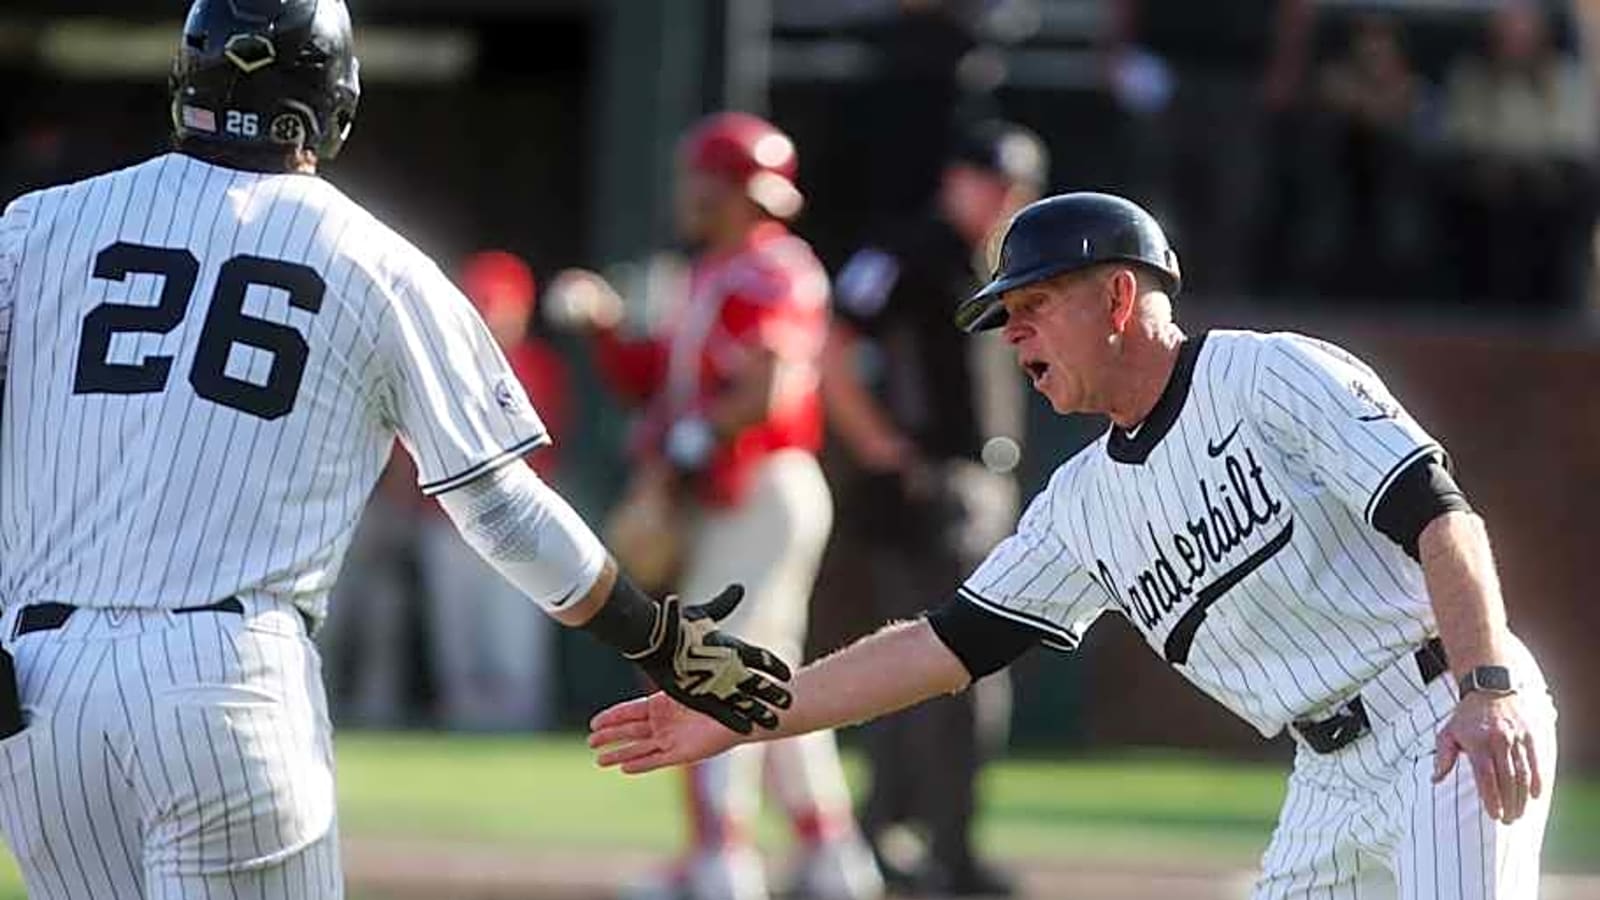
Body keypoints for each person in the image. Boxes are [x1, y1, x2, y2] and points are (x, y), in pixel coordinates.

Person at [0, 3, 791, 897]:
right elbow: (500, 508)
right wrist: (650, 635)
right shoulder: (376, 260)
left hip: (39, 685)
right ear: (332, 98)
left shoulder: (37, 228)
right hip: (227, 677)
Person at [591, 192, 1560, 900]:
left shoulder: (1270, 376)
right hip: (1326, 769)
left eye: (1033, 306)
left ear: (1118, 298)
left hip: (1443, 716)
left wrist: (1486, 691)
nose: (1011, 335)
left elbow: (1440, 516)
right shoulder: (1080, 505)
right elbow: (943, 647)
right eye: (1003, 317)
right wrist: (746, 713)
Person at [551, 112, 882, 900]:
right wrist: (606, 332)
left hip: (761, 487)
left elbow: (765, 391)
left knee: (711, 671)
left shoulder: (774, 267)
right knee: (770, 680)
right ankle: (829, 854)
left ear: (733, 189)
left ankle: (721, 860)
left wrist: (679, 455)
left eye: (704, 182)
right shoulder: (707, 273)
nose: (690, 196)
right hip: (737, 494)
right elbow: (654, 384)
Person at [823, 119, 1046, 896]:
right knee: (944, 670)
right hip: (929, 492)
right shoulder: (909, 251)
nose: (1002, 198)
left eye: (1016, 187)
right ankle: (914, 845)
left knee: (943, 673)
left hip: (980, 486)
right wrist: (882, 445)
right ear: (954, 179)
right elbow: (830, 344)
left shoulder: (1006, 261)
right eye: (991, 181)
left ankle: (904, 841)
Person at [420, 250, 569, 731]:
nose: (490, 317)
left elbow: (547, 448)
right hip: (450, 522)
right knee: (458, 644)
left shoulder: (539, 365)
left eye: (499, 306)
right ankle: (464, 728)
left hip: (518, 519)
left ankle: (518, 730)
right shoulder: (443, 364)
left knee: (513, 644)